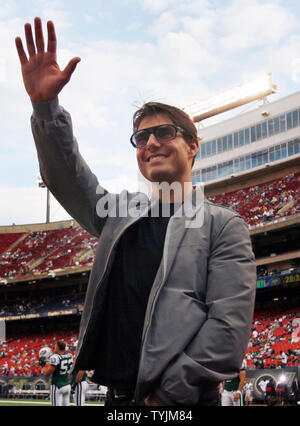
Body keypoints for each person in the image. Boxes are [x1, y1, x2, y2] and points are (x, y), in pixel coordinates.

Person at [15, 17, 257, 406]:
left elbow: (228, 327)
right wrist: (45, 108)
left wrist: (166, 396)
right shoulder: (119, 213)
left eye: (165, 132)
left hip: (180, 402)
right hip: (117, 398)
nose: (151, 143)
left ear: (193, 146)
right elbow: (66, 177)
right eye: (142, 137)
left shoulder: (223, 226)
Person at [39, 341, 73, 406]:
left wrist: (43, 366)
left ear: (57, 347)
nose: (54, 348)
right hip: (67, 385)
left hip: (58, 386)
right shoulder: (70, 355)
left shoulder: (55, 357)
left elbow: (47, 373)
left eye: (55, 346)